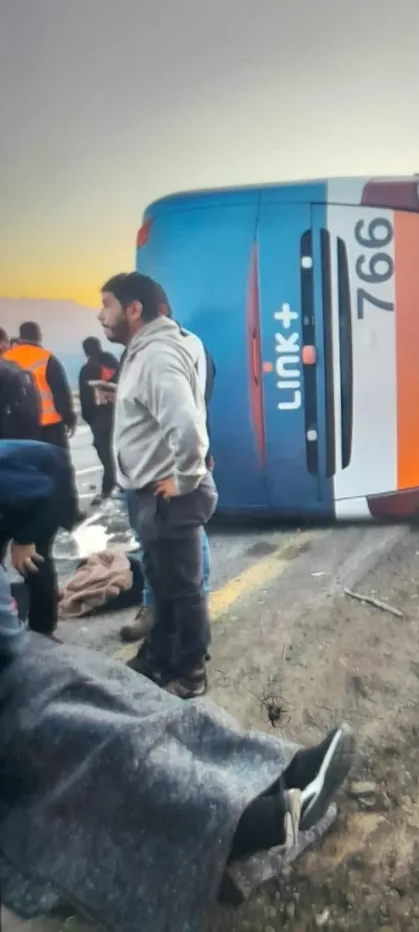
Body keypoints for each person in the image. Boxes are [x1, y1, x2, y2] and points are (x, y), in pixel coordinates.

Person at [0, 466, 355, 930]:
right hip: (15, 684)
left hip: (20, 660)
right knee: (111, 743)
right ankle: (252, 822)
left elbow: (34, 461)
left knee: (137, 695)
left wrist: (25, 532)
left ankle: (276, 773)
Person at [99, 271, 217, 698]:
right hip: (153, 492)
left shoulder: (156, 355)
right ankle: (159, 658)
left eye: (107, 304)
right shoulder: (147, 350)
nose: (100, 315)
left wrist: (186, 479)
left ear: (135, 310)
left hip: (169, 494)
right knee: (164, 583)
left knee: (182, 591)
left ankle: (189, 673)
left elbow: (187, 426)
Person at [119, 288, 216, 645]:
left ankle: (187, 630)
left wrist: (193, 468)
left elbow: (194, 413)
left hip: (174, 469)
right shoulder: (144, 355)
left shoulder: (180, 351)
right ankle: (162, 623)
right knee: (155, 553)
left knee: (184, 563)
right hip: (149, 471)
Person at [0, 439, 79, 638]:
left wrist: (25, 539)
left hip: (46, 486)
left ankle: (43, 630)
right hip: (17, 495)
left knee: (32, 560)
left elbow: (40, 495)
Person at [3, 321, 77, 448]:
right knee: (56, 464)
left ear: (20, 338)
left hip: (18, 427)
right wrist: (69, 418)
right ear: (38, 337)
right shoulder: (47, 358)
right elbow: (61, 392)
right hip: (49, 425)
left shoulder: (4, 359)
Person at [78, 336, 120, 506]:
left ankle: (108, 489)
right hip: (118, 415)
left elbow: (85, 400)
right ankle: (121, 486)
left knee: (106, 455)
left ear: (86, 351)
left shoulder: (87, 369)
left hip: (100, 419)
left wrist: (90, 420)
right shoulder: (115, 364)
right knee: (118, 453)